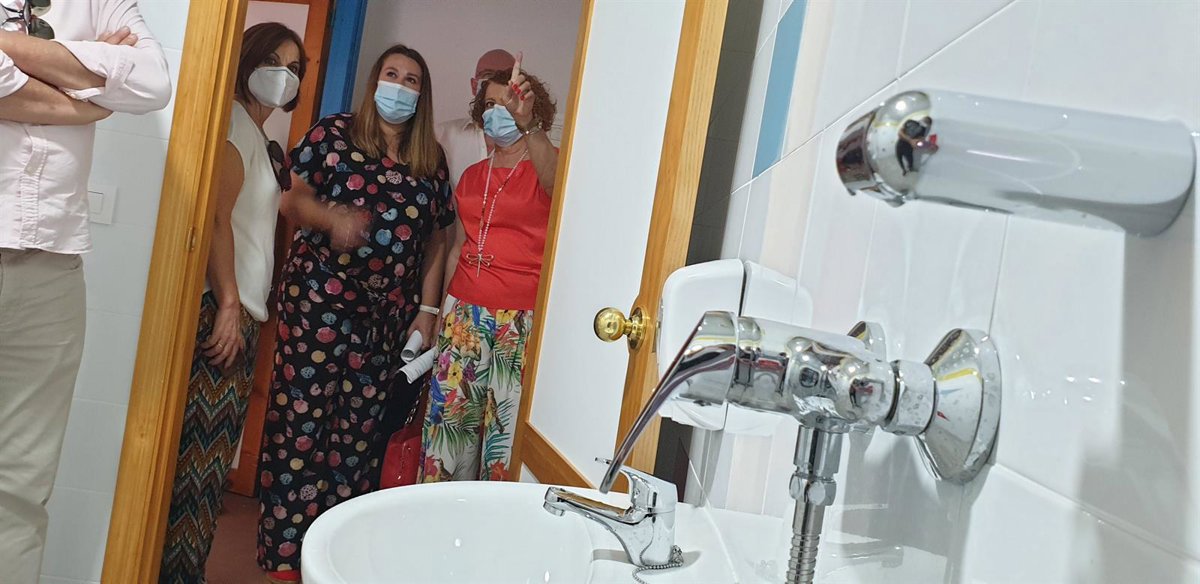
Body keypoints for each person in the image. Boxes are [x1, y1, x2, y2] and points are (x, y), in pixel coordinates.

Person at [256, 43, 454, 583]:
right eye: (392, 74)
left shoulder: (430, 159)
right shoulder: (334, 134)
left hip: (386, 319)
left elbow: (438, 238)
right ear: (374, 82)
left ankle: (337, 559)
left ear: (422, 94)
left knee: (359, 438)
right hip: (318, 304)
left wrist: (428, 308)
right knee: (300, 427)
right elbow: (290, 199)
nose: (400, 86)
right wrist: (331, 219)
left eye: (411, 80)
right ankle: (286, 561)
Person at [0, 2, 171, 582]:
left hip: (52, 262)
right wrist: (87, 90)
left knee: (21, 486)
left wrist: (14, 49)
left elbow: (152, 83)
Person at [158, 22, 306, 584]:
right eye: (273, 61)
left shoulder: (257, 135)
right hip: (223, 310)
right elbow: (216, 219)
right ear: (247, 61)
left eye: (294, 68)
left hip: (239, 309)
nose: (283, 75)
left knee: (210, 464)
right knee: (199, 467)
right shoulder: (234, 124)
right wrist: (226, 304)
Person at [420, 58, 556, 482]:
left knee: (504, 443)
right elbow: (458, 247)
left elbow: (556, 183)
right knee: (447, 434)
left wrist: (529, 125)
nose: (501, 111)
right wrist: (441, 313)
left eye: (509, 102)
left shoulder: (548, 166)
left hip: (520, 322)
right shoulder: (473, 176)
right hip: (462, 316)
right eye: (492, 104)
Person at [435, 48, 515, 192]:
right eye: (488, 75)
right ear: (474, 85)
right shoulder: (441, 135)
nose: (495, 85)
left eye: (505, 77)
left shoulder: (531, 145)